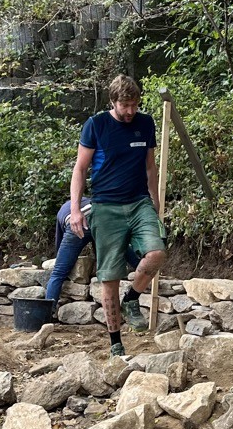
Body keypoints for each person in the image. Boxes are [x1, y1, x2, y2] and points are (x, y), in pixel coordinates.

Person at [67, 74, 167, 357]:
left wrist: (155, 198)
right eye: (125, 106)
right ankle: (115, 343)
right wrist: (76, 209)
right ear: (113, 102)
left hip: (138, 202)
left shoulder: (145, 123)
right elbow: (80, 168)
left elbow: (150, 165)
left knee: (157, 252)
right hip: (106, 206)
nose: (131, 111)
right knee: (109, 276)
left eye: (135, 105)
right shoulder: (96, 125)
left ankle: (132, 298)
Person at [43, 198, 141, 307]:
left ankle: (48, 313)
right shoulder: (87, 200)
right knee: (121, 245)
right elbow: (98, 241)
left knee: (58, 273)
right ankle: (142, 268)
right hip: (100, 219)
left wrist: (61, 261)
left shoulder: (62, 211)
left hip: (76, 223)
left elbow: (60, 241)